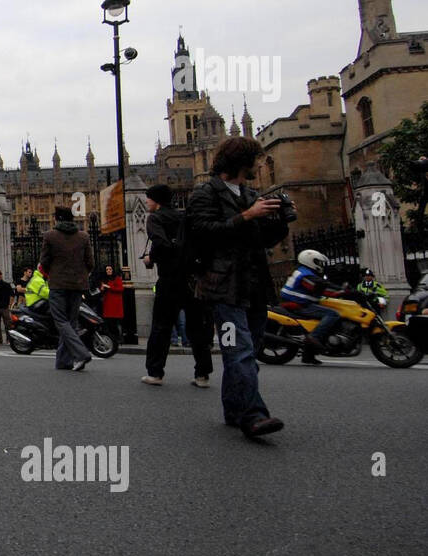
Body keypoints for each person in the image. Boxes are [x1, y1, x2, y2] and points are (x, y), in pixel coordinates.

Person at [185, 136, 290, 437]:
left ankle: (234, 410)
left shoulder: (251, 194)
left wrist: (279, 221)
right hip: (223, 289)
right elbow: (204, 233)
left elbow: (262, 240)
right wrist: (247, 215)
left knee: (247, 351)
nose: (260, 165)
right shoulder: (205, 194)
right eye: (256, 159)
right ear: (240, 162)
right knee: (239, 350)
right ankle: (253, 415)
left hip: (254, 287)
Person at [141, 184, 213, 387]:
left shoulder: (155, 218)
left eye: (149, 199)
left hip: (170, 279)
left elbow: (161, 244)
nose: (147, 202)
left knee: (161, 327)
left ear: (156, 201)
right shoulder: (184, 218)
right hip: (191, 279)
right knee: (196, 327)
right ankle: (202, 375)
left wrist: (150, 259)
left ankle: (155, 373)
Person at [38, 206, 94, 371]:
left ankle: (81, 353)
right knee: (70, 321)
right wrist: (80, 275)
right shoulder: (83, 236)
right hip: (78, 285)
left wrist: (53, 274)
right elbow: (90, 263)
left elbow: (44, 262)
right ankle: (63, 361)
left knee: (61, 321)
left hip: (58, 285)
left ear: (57, 219)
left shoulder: (50, 236)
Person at [280, 250, 347, 366]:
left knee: (321, 318)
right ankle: (313, 337)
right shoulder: (306, 275)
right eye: (317, 262)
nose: (320, 265)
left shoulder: (303, 271)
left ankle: (308, 355)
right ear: (309, 261)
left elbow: (320, 285)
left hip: (297, 303)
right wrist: (343, 291)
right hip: (298, 304)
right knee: (333, 314)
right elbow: (321, 287)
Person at [98, 264, 125, 342]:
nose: (108, 271)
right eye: (107, 269)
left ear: (112, 270)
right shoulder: (104, 279)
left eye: (110, 269)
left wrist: (109, 287)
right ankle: (111, 338)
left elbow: (120, 289)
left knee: (115, 323)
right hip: (107, 303)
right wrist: (102, 288)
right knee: (108, 322)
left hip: (115, 304)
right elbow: (101, 291)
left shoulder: (117, 278)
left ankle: (117, 338)